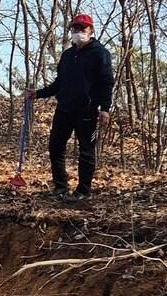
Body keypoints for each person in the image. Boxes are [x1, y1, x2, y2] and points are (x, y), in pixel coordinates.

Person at [28, 13, 114, 199]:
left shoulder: (100, 54)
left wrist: (105, 108)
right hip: (64, 108)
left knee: (86, 150)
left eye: (82, 28)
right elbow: (59, 83)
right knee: (55, 146)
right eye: (75, 28)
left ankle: (83, 191)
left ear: (90, 30)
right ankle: (60, 186)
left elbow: (106, 82)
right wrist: (38, 94)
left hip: (87, 110)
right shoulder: (67, 55)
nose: (78, 32)